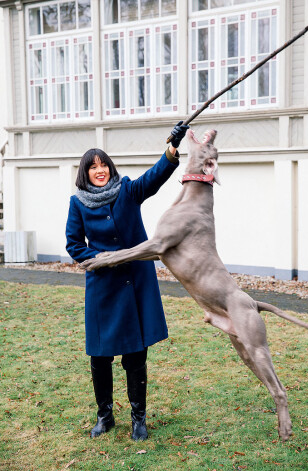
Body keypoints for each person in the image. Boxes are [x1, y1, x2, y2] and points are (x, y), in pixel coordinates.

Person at [65, 121, 189, 441]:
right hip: (103, 289)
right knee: (100, 356)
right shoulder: (78, 203)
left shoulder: (128, 190)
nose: (100, 170)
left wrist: (171, 149)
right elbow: (73, 243)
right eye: (93, 167)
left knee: (135, 355)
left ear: (110, 167)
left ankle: (138, 419)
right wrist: (101, 260)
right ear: (86, 173)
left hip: (135, 284)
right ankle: (105, 416)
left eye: (103, 164)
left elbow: (154, 177)